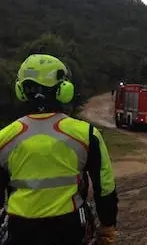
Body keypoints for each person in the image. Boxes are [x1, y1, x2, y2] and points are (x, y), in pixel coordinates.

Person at [0, 54, 118, 244]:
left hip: (19, 231)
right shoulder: (87, 134)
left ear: (20, 90)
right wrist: (107, 227)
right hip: (69, 229)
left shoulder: (4, 138)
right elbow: (105, 188)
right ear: (64, 90)